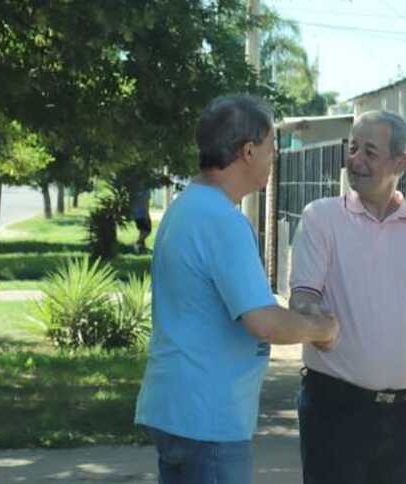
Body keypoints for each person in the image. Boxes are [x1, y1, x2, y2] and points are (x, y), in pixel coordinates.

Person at [134, 94, 339, 484]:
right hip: (208, 420)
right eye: (270, 147)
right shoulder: (222, 220)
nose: (273, 156)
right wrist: (322, 329)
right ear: (247, 150)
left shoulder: (187, 206)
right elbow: (264, 322)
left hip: (177, 409)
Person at [289, 110, 406, 484]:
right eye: (353, 148)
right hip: (335, 410)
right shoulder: (321, 219)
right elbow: (303, 296)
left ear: (401, 162)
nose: (355, 160)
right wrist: (315, 323)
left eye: (370, 152)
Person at [130, 186, 152, 253]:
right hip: (142, 213)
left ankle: (141, 249)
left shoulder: (135, 189)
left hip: (135, 212)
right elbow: (146, 202)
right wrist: (146, 214)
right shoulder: (146, 189)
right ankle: (136, 243)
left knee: (142, 231)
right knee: (147, 231)